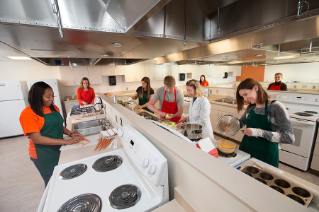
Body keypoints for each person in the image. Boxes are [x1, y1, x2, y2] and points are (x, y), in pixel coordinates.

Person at [20, 82, 82, 186]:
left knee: (63, 177)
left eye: (52, 95)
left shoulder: (53, 108)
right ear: (37, 96)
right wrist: (66, 141)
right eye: (47, 96)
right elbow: (37, 139)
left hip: (58, 148)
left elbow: (58, 126)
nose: (51, 99)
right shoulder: (27, 113)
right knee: (51, 183)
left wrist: (70, 133)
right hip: (42, 154)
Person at [236, 78, 294, 167]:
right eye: (242, 96)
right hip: (246, 149)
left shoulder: (276, 107)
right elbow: (241, 122)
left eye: (246, 94)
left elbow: (289, 137)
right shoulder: (251, 107)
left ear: (256, 88)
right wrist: (230, 121)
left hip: (266, 154)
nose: (245, 98)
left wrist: (259, 132)